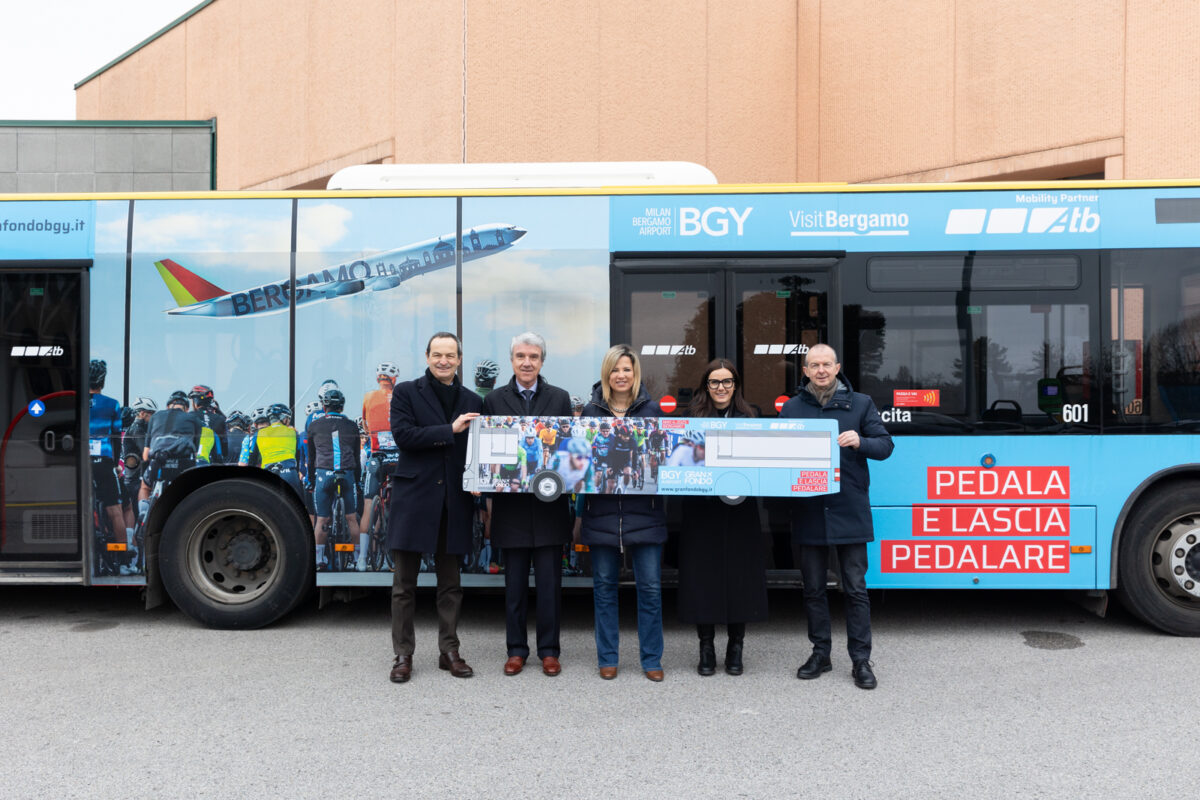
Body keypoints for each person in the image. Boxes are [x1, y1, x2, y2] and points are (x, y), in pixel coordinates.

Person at [779, 344, 894, 690]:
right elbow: (779, 455)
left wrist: (861, 440)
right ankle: (821, 654)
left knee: (855, 590)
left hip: (849, 510)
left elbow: (885, 446)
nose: (821, 370)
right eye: (813, 365)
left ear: (837, 366)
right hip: (809, 510)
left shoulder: (860, 404)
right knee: (813, 589)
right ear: (805, 370)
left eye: (826, 364)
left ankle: (861, 661)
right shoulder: (791, 408)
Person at [386, 332, 482, 683]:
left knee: (451, 585)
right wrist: (449, 429)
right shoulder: (406, 392)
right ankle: (402, 654)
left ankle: (449, 651)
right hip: (414, 500)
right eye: (437, 354)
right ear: (427, 356)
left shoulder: (473, 399)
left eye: (450, 355)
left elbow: (477, 450)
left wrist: (478, 482)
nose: (444, 360)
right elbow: (403, 436)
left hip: (454, 500)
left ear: (459, 359)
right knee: (403, 586)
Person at [481, 332, 573, 677]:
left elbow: (568, 451)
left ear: (542, 361)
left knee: (550, 587)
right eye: (520, 356)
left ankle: (550, 651)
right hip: (512, 509)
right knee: (514, 587)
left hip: (550, 507)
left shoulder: (560, 399)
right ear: (512, 361)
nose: (527, 362)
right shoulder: (494, 400)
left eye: (533, 356)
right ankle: (516, 650)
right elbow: (489, 454)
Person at [579, 344, 667, 681]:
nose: (621, 375)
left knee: (650, 589)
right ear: (607, 373)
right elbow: (580, 463)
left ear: (635, 374)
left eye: (627, 369)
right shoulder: (590, 412)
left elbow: (663, 462)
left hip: (645, 513)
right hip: (601, 513)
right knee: (603, 588)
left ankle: (652, 660)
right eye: (615, 369)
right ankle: (608, 658)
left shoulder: (652, 412)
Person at [677, 359, 768, 676]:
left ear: (735, 384)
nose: (720, 388)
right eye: (714, 382)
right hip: (701, 511)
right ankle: (706, 646)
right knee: (703, 577)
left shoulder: (751, 416)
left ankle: (736, 646)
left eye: (727, 382)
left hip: (740, 510)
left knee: (739, 577)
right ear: (705, 386)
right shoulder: (690, 418)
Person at [307, 389, 366, 571]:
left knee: (322, 520)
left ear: (324, 406)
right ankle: (357, 559)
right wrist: (356, 482)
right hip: (347, 473)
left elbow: (311, 458)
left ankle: (318, 560)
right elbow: (356, 457)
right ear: (341, 406)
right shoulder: (351, 425)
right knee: (351, 519)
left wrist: (311, 480)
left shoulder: (314, 425)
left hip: (324, 473)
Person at [87, 360, 128, 568]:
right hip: (103, 461)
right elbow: (116, 437)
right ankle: (121, 555)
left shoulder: (76, 402)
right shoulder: (112, 404)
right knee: (115, 511)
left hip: (81, 463)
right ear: (102, 381)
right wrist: (116, 464)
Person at [362, 362, 399, 540]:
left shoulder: (369, 397)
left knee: (369, 503)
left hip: (377, 456)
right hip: (399, 457)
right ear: (393, 379)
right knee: (407, 503)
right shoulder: (401, 397)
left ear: (378, 378)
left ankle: (361, 559)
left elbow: (365, 424)